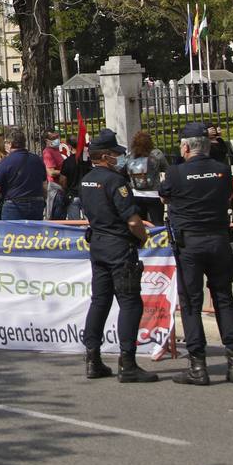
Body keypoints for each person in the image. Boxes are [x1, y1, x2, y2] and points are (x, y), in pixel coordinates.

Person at [160, 122, 233, 386]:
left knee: (191, 304)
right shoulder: (221, 170)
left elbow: (164, 197)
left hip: (190, 246)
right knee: (224, 299)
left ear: (185, 147)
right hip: (219, 241)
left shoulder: (175, 173)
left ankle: (198, 364)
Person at [77, 129, 158, 384]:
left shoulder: (86, 180)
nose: (119, 158)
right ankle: (128, 362)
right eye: (115, 154)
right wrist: (145, 237)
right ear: (106, 156)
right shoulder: (116, 182)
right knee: (130, 302)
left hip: (98, 244)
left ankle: (93, 359)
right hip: (119, 247)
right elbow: (133, 221)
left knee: (99, 301)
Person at [0, 128, 47, 221]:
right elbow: (44, 185)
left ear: (10, 144)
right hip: (36, 203)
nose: (5, 145)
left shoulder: (5, 162)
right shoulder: (37, 160)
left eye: (6, 143)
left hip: (14, 205)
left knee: (13, 235)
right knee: (35, 234)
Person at [122, 130, 168, 226]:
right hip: (154, 195)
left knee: (140, 223)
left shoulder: (130, 156)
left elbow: (123, 173)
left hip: (136, 194)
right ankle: (157, 240)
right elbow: (167, 170)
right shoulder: (157, 154)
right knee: (158, 223)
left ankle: (142, 240)